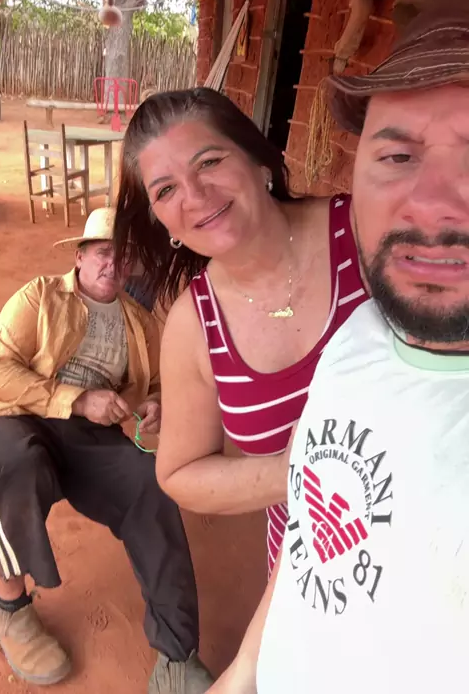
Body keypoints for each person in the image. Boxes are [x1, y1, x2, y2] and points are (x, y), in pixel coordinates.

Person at [208, 0, 469, 693]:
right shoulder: (362, 330)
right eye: (398, 156)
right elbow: (314, 536)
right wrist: (242, 672)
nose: (429, 205)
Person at [113, 88, 367, 574]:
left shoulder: (361, 234)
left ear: (258, 161)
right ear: (163, 223)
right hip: (310, 574)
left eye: (208, 162)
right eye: (165, 191)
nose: (195, 196)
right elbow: (180, 472)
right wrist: (292, 471)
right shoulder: (195, 325)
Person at [0, 207, 212, 694]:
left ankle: (177, 655)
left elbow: (156, 384)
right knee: (12, 464)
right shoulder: (40, 296)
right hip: (22, 417)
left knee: (150, 485)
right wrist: (76, 399)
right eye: (102, 252)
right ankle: (9, 609)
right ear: (80, 256)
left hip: (92, 436)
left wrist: (154, 404)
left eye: (123, 255)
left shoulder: (140, 322)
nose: (113, 263)